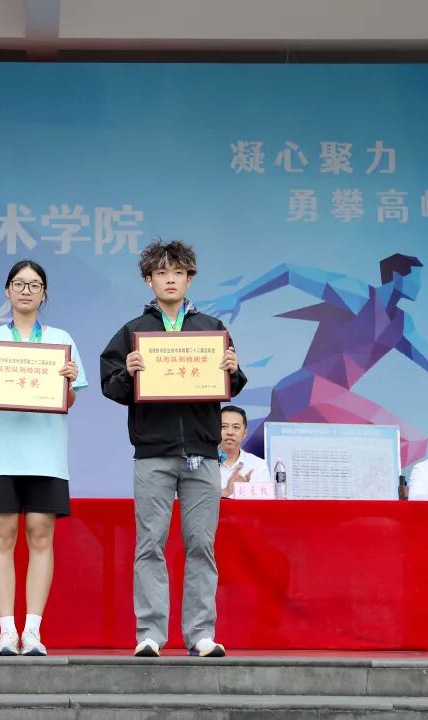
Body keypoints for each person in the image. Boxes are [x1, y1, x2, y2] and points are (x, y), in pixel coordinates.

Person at [100, 238, 247, 658]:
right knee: (150, 544)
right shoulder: (133, 331)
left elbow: (232, 385)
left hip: (202, 452)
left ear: (189, 279)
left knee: (201, 545)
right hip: (153, 453)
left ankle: (200, 633)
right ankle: (150, 633)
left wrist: (233, 371)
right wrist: (128, 373)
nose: (170, 279)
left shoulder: (211, 328)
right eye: (161, 272)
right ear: (149, 280)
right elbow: (112, 386)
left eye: (178, 272)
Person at [201, 254, 428, 468]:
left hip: (323, 401)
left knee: (247, 461)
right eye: (416, 278)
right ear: (398, 276)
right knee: (411, 441)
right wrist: (238, 296)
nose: (419, 285)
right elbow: (289, 272)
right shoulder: (358, 295)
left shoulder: (402, 323)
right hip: (306, 389)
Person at [0, 260, 88, 656]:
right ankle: (6, 631)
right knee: (1, 535)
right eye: (19, 284)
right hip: (1, 457)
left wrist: (68, 382)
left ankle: (32, 630)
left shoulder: (61, 339)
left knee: (40, 535)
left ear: (44, 293)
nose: (26, 291)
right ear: (7, 290)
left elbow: (69, 400)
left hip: (46, 458)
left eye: (35, 285)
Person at [217, 405, 269, 498]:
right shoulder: (205, 464)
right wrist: (225, 491)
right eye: (224, 426)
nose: (230, 432)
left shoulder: (258, 466)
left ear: (244, 433)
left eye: (236, 427)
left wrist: (247, 493)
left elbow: (265, 502)